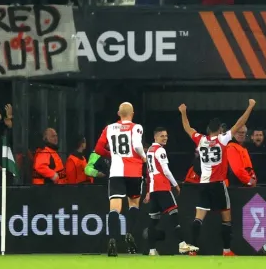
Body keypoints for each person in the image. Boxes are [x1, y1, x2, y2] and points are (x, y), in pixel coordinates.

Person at [178, 99, 256, 256]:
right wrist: (250, 107)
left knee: (198, 218)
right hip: (218, 184)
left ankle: (192, 250)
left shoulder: (201, 140)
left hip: (204, 184)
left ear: (208, 130)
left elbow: (187, 128)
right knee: (226, 218)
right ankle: (226, 251)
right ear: (220, 129)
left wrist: (183, 112)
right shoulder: (222, 139)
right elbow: (240, 123)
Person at [88, 102, 146, 257]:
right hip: (134, 171)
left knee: (114, 207)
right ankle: (129, 233)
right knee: (134, 203)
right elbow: (137, 145)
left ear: (118, 113)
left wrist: (111, 154)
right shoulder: (137, 127)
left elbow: (99, 149)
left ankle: (112, 239)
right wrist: (144, 157)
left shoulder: (109, 128)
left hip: (116, 172)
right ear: (132, 114)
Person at [143, 127, 198, 255]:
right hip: (162, 187)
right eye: (162, 136)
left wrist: (148, 190)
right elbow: (165, 170)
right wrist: (175, 184)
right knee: (174, 214)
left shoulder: (150, 150)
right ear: (155, 137)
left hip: (153, 189)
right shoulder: (160, 150)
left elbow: (149, 172)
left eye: (166, 136)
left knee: (154, 220)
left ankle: (152, 250)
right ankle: (182, 244)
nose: (165, 138)